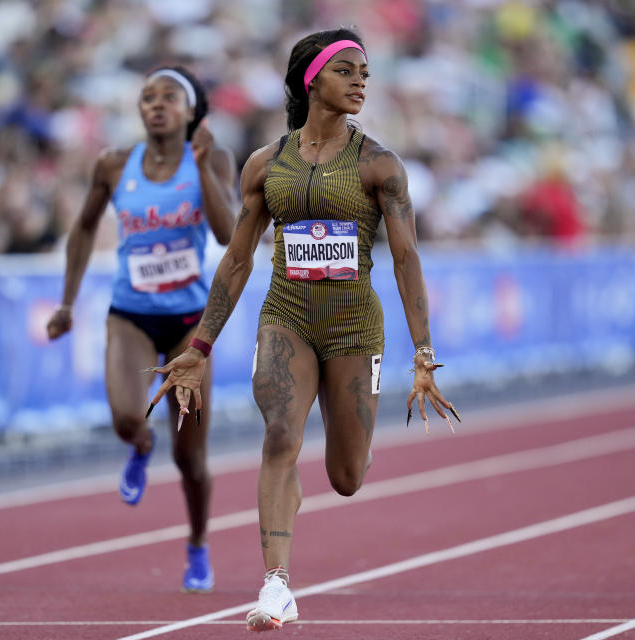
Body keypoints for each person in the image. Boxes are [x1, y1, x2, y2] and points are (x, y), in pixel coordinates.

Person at [147, 29, 459, 631]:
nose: (361, 80)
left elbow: (406, 258)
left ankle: (322, 495)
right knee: (280, 437)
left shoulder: (379, 165)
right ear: (312, 80)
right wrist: (200, 346)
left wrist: (424, 351)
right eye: (347, 70)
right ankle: (276, 585)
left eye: (366, 72)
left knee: (346, 477)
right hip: (285, 316)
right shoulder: (266, 165)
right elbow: (237, 260)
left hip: (353, 327)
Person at [46, 65, 237, 593]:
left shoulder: (213, 159)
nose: (155, 104)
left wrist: (200, 166)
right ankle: (140, 444)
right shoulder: (113, 165)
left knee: (191, 458)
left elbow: (226, 231)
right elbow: (84, 227)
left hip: (189, 325)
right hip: (130, 313)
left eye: (169, 97)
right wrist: (67, 302)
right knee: (128, 418)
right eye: (147, 97)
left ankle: (197, 544)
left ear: (191, 110)